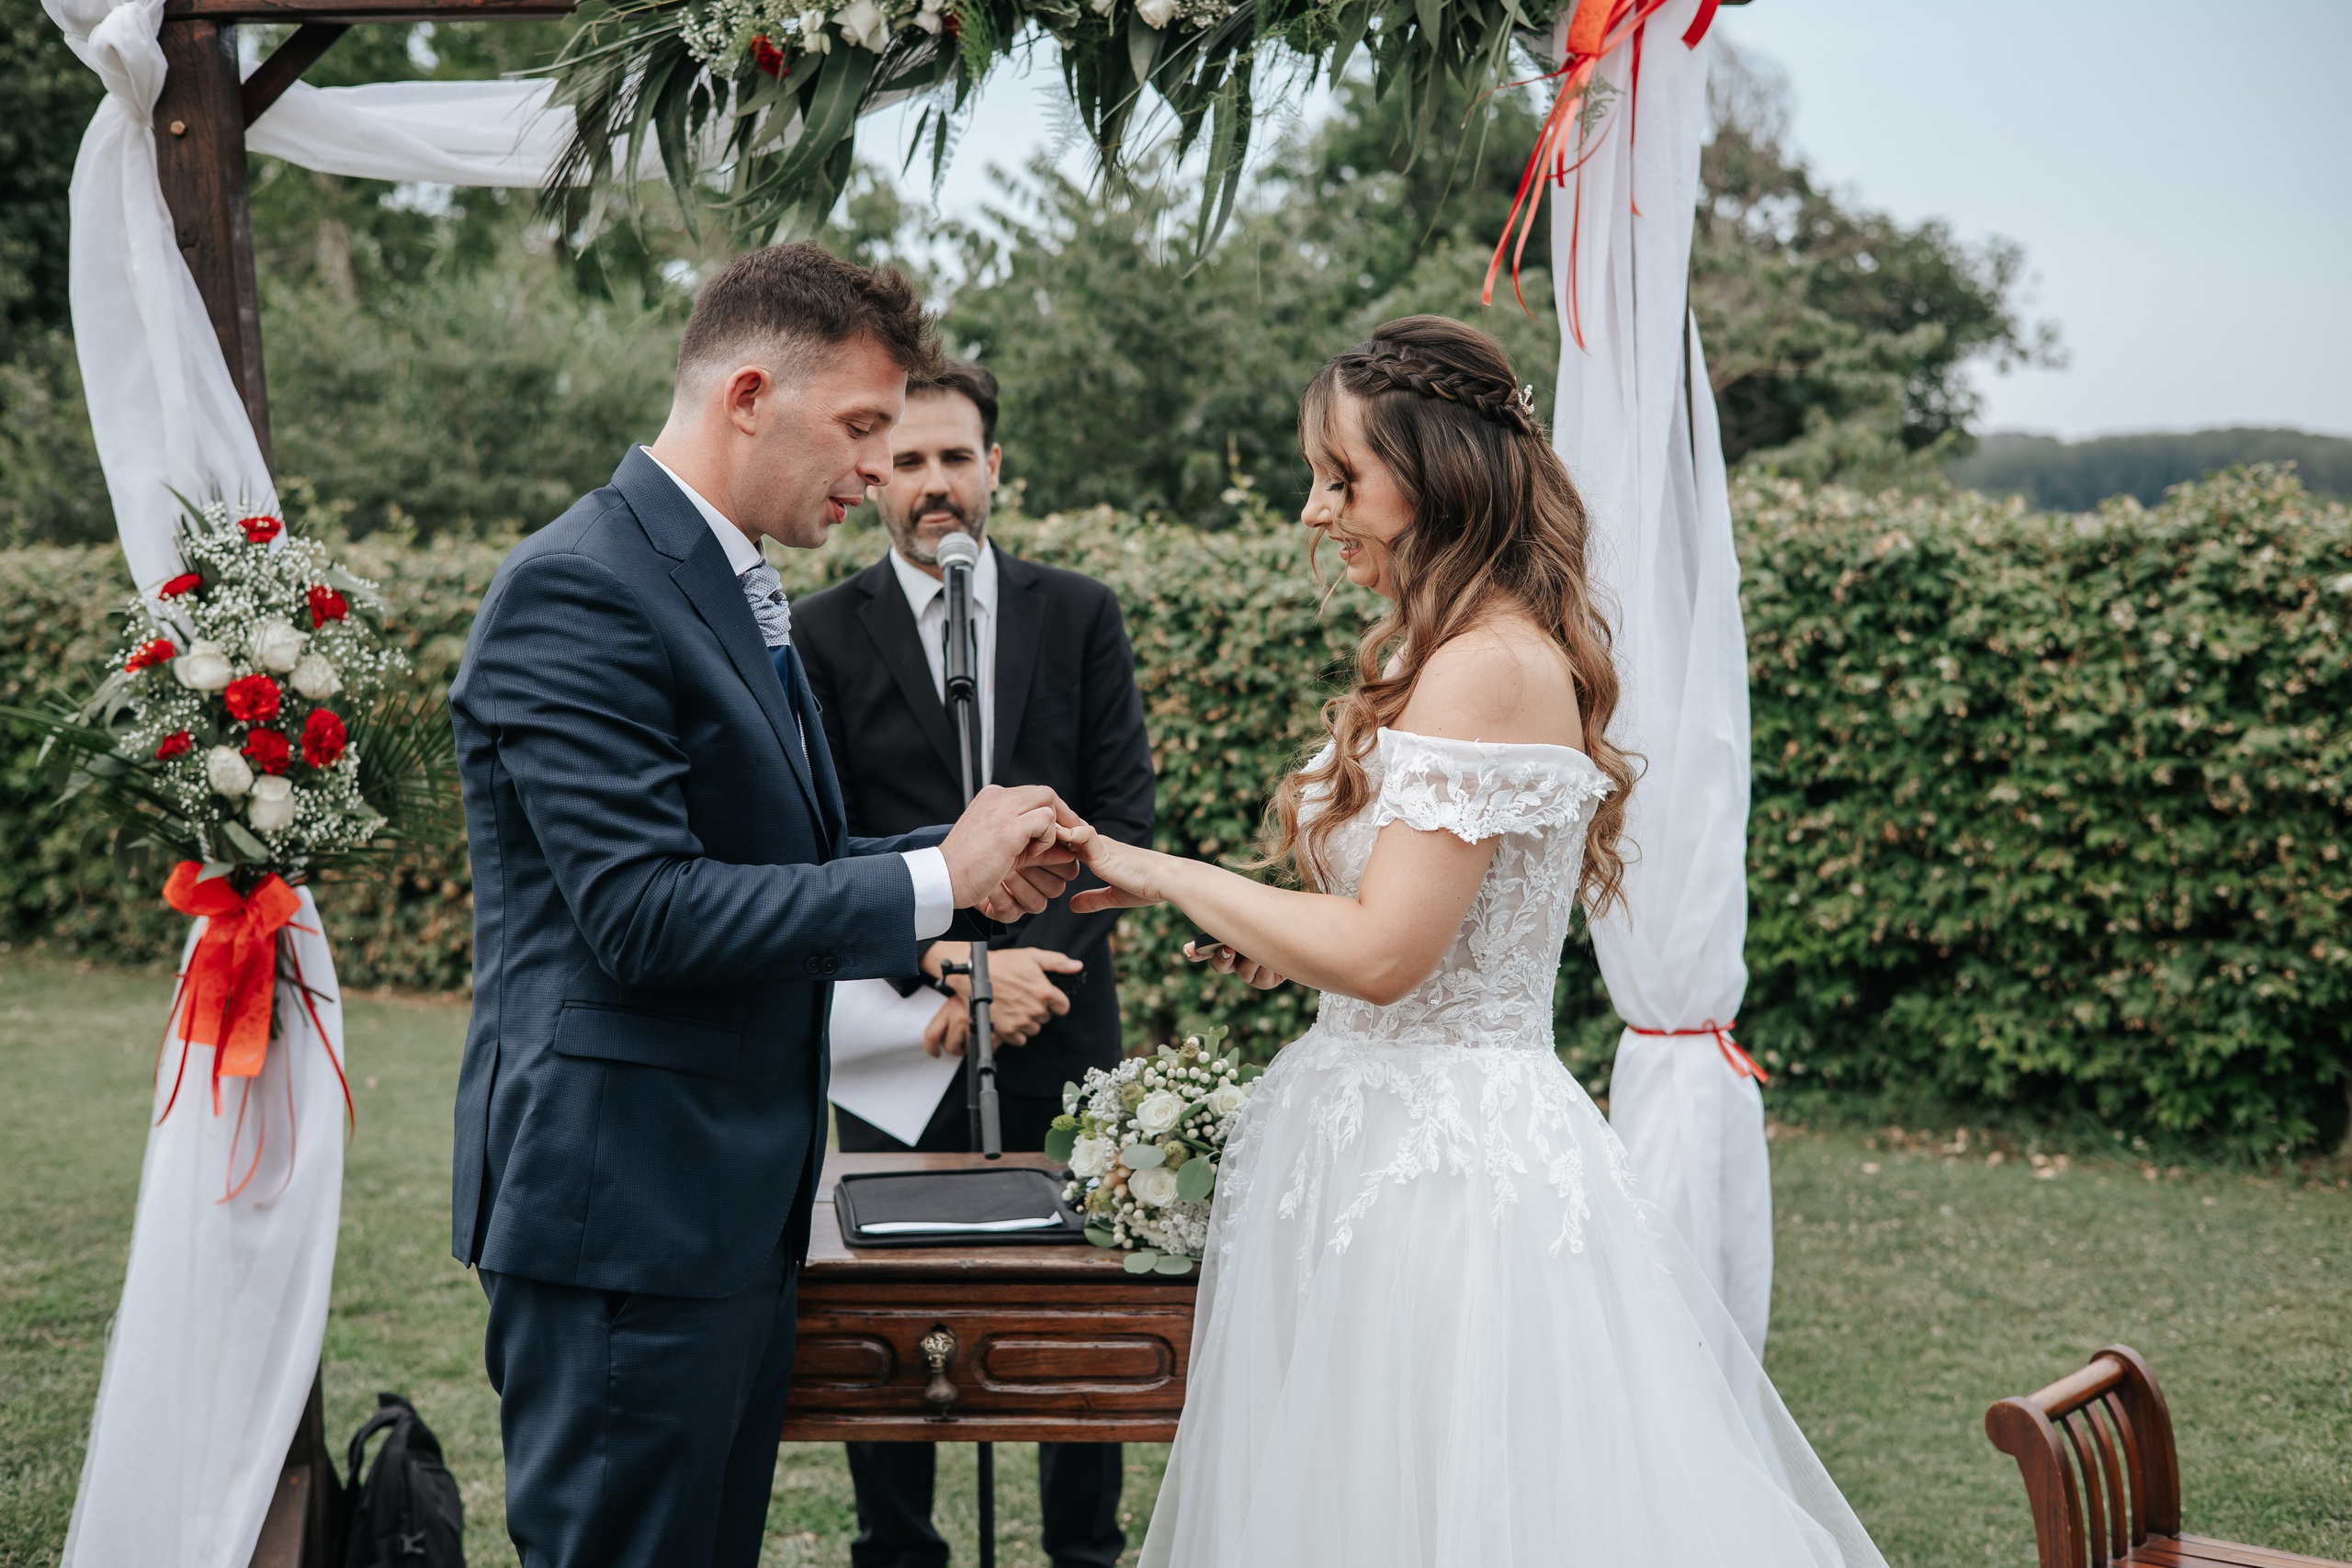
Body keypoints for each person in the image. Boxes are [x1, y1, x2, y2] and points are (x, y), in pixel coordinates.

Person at [1063, 317, 1891, 1568]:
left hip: (1446, 1175)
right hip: (1365, 1138)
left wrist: (1159, 874)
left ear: (1440, 476)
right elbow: (1386, 930)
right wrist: (1286, 937)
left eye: (1344, 479)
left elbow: (1389, 956)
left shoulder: (1487, 666)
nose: (1314, 510)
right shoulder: (1437, 650)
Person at [447, 243, 1088, 1568]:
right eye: (862, 426)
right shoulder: (579, 589)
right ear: (748, 393)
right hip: (624, 1210)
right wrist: (934, 882)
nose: (877, 465)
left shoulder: (729, 582)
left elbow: (789, 849)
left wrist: (962, 860)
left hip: (731, 1207)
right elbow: (646, 915)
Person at [793, 359, 1153, 1568]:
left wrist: (1029, 973)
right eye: (906, 461)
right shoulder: (817, 635)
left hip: (1063, 1019)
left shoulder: (1080, 613)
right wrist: (952, 968)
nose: (933, 482)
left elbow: (1124, 823)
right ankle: (897, 1550)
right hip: (898, 1029)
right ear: (874, 477)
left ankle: (1082, 1552)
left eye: (956, 457)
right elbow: (818, 844)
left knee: (1074, 1306)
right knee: (890, 1314)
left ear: (995, 467)